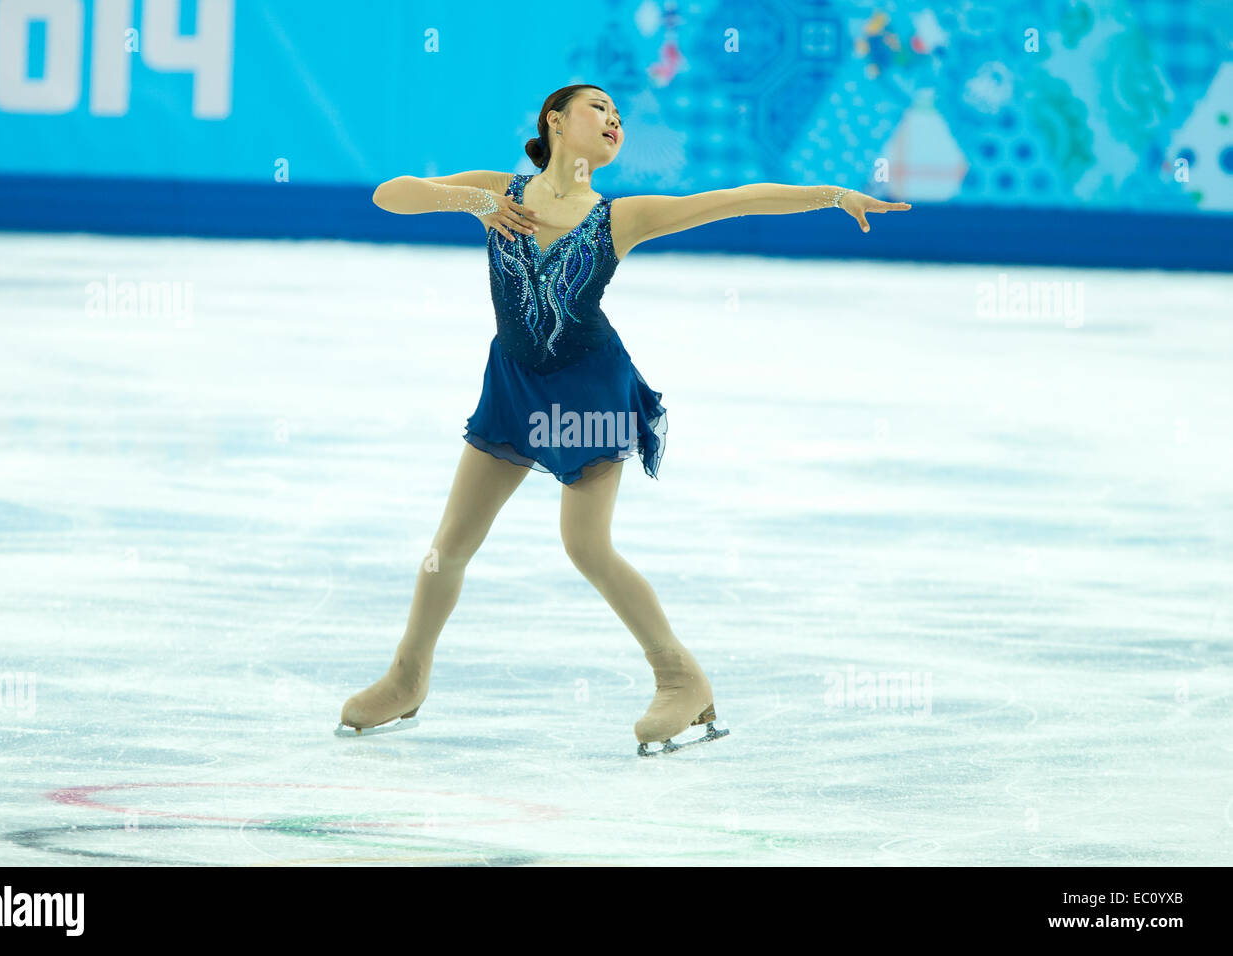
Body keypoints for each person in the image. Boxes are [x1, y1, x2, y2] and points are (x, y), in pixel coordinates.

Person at [340, 84, 911, 752]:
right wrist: (477, 202)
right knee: (449, 546)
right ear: (555, 120)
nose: (614, 122)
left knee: (586, 545)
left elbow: (733, 200)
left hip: (589, 390)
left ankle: (682, 680)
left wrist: (834, 195)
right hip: (515, 385)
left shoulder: (621, 216)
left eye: (619, 117)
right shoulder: (499, 192)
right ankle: (407, 678)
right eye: (598, 109)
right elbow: (391, 193)